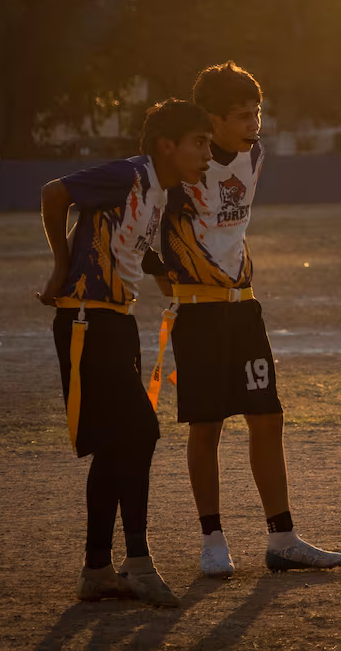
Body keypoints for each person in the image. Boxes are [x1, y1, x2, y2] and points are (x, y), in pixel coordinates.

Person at [146, 62, 341, 577]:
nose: (254, 122)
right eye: (241, 115)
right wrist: (162, 273)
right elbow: (142, 223)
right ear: (210, 120)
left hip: (244, 309)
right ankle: (212, 538)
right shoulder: (179, 170)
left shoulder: (255, 154)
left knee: (268, 418)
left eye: (257, 111)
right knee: (206, 426)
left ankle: (282, 537)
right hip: (198, 315)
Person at [37, 98, 214, 607]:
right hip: (87, 321)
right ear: (166, 145)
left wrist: (166, 272)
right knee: (140, 430)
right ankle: (137, 562)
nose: (206, 152)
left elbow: (131, 242)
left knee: (119, 444)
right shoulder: (129, 173)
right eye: (198, 143)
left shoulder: (158, 187)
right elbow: (55, 193)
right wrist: (60, 264)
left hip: (115, 320)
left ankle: (97, 570)